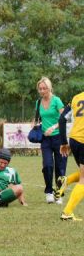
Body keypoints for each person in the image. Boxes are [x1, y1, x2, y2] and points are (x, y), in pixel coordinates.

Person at [35, 77, 66, 204]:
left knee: (60, 167)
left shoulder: (57, 100)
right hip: (45, 139)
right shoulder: (38, 102)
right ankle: (49, 192)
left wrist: (53, 126)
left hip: (58, 137)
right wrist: (36, 127)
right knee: (47, 165)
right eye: (40, 89)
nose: (42, 91)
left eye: (44, 88)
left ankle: (60, 194)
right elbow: (38, 119)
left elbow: (64, 117)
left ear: (49, 88)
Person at [58, 89, 84, 221]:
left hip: (74, 140)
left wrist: (63, 142)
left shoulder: (76, 98)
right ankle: (67, 212)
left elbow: (62, 119)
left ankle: (66, 180)